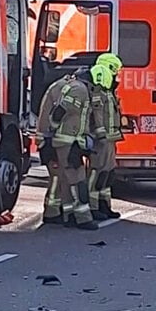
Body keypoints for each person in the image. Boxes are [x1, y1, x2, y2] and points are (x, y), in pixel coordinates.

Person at [36, 68, 107, 230]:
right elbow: (60, 111)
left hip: (57, 140)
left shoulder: (64, 84)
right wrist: (53, 133)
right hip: (66, 141)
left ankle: (54, 213)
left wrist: (47, 137)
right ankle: (82, 218)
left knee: (61, 178)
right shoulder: (80, 90)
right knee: (78, 179)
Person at [88, 53, 124, 220]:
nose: (117, 74)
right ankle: (93, 207)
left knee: (108, 175)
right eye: (115, 71)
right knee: (96, 174)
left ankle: (105, 205)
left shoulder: (109, 91)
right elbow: (96, 116)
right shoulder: (98, 89)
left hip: (110, 140)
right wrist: (101, 135)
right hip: (100, 141)